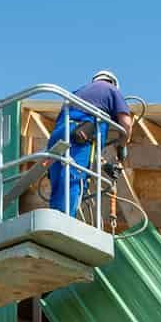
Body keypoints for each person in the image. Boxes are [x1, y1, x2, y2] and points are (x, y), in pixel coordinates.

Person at [48, 71, 135, 217]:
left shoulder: (77, 92)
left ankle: (55, 219)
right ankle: (65, 221)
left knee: (58, 182)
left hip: (58, 135)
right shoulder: (112, 90)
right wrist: (122, 145)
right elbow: (126, 124)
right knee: (73, 178)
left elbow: (91, 152)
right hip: (82, 133)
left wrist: (104, 164)